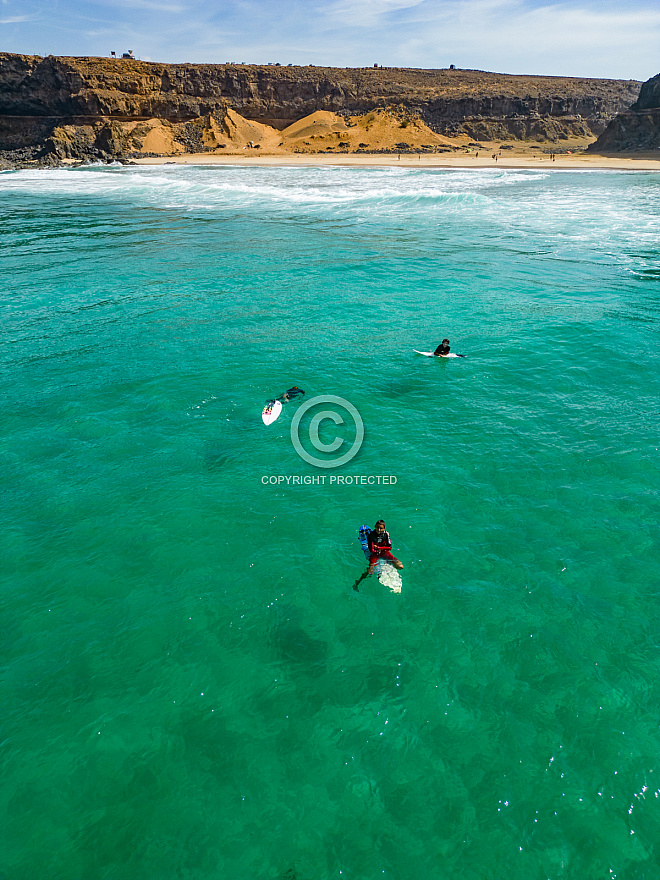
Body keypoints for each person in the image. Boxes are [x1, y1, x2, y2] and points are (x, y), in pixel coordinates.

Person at [353, 520, 403, 591]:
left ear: (384, 528)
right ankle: (358, 582)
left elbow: (390, 547)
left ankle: (390, 565)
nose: (379, 530)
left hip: (383, 552)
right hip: (375, 553)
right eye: (377, 528)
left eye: (381, 528)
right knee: (370, 570)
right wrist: (378, 550)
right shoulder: (371, 536)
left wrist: (379, 548)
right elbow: (371, 550)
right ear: (375, 527)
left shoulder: (386, 534)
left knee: (400, 566)